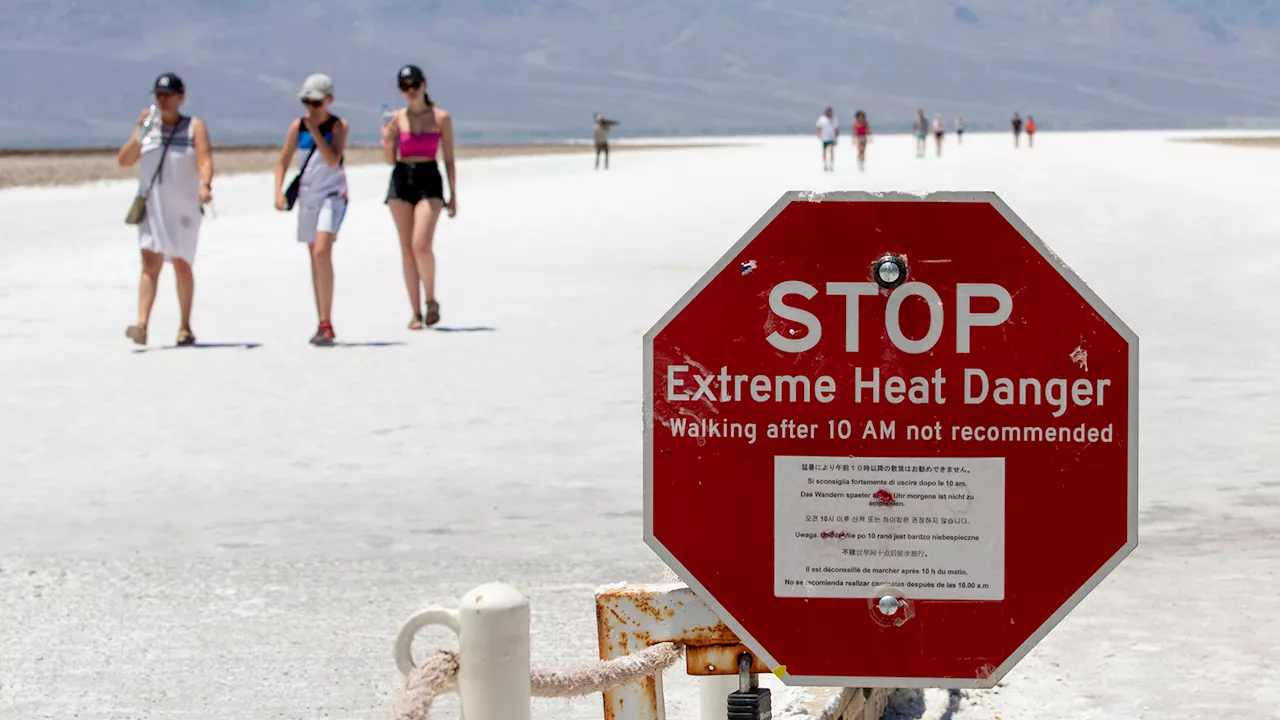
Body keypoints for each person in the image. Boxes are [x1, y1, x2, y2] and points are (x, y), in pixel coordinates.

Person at [116, 72, 213, 347]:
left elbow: (205, 159)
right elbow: (125, 160)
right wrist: (140, 132)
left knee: (182, 263)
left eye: (168, 95)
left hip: (183, 208)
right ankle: (142, 324)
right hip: (152, 206)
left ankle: (184, 326)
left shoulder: (194, 127)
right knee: (149, 262)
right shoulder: (149, 128)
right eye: (159, 95)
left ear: (181, 97)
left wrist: (205, 184)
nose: (163, 100)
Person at [272, 73, 349, 346]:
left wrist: (316, 130)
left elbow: (331, 159)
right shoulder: (297, 127)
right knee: (314, 259)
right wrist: (278, 191)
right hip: (308, 198)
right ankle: (323, 320)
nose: (311, 109)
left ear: (329, 101)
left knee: (322, 250)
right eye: (307, 102)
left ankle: (326, 321)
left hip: (332, 195)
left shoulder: (338, 126)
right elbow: (282, 162)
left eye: (316, 103)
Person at [381, 64, 457, 329]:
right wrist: (388, 140)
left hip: (429, 178)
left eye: (415, 85)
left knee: (420, 244)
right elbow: (390, 160)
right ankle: (414, 312)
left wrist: (453, 194)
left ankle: (431, 299)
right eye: (405, 87)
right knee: (406, 248)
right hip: (402, 179)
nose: (411, 91)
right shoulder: (396, 118)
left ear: (424, 85)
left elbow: (448, 158)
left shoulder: (440, 118)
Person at [815, 106, 839, 171]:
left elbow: (836, 128)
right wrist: (818, 134)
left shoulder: (834, 119)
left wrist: (836, 137)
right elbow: (818, 127)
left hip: (831, 137)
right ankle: (825, 164)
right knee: (824, 151)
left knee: (831, 151)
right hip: (824, 137)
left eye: (829, 111)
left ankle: (831, 164)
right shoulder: (821, 119)